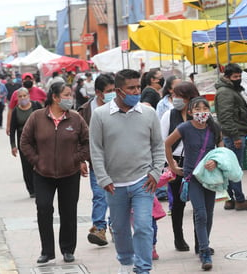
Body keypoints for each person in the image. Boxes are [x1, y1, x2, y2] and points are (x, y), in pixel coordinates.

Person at [89, 69, 165, 274]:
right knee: (120, 229)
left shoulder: (148, 113)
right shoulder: (100, 115)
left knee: (143, 226)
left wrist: (156, 173)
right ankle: (125, 262)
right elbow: (95, 149)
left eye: (138, 87)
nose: (136, 91)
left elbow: (158, 146)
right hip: (114, 185)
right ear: (118, 91)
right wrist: (103, 179)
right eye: (131, 88)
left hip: (143, 181)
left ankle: (143, 268)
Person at [20, 82, 89, 264]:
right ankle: (47, 251)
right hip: (43, 174)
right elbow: (25, 142)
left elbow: (88, 141)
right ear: (55, 97)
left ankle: (67, 249)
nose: (70, 98)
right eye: (66, 95)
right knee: (43, 208)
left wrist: (77, 158)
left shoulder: (75, 118)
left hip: (69, 173)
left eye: (70, 94)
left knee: (68, 212)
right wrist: (37, 160)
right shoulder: (36, 117)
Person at [165, 97, 223, 271]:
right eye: (197, 109)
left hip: (210, 177)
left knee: (209, 214)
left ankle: (203, 244)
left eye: (205, 108)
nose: (201, 112)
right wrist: (173, 166)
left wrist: (216, 162)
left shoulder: (214, 127)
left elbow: (222, 151)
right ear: (190, 112)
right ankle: (204, 251)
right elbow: (167, 144)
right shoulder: (184, 127)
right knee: (200, 213)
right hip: (193, 177)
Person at [214, 63, 247, 211]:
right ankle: (239, 199)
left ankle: (230, 199)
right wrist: (235, 136)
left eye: (240, 76)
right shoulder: (226, 92)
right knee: (235, 169)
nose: (238, 79)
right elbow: (226, 117)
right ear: (227, 77)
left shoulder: (229, 90)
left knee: (230, 168)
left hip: (234, 134)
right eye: (235, 77)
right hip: (234, 134)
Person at [160, 81, 199, 252]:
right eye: (174, 95)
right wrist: (169, 163)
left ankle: (201, 241)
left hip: (197, 162)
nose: (175, 99)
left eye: (179, 96)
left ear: (190, 98)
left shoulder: (200, 114)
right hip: (175, 161)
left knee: (199, 204)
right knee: (177, 202)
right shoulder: (169, 115)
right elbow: (162, 141)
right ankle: (179, 238)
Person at [78, 73, 115, 246]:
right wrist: (81, 160)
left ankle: (116, 226)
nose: (113, 94)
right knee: (100, 195)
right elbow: (79, 139)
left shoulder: (119, 106)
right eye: (109, 91)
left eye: (115, 90)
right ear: (99, 93)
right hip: (96, 162)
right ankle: (99, 229)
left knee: (118, 196)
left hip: (119, 160)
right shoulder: (85, 110)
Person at [9, 88, 42, 197]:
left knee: (38, 164)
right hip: (23, 141)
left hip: (37, 140)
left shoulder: (36, 106)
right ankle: (31, 190)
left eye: (24, 95)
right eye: (20, 96)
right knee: (26, 166)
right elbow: (12, 128)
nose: (23, 98)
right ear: (17, 98)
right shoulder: (16, 111)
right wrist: (13, 145)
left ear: (29, 96)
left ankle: (40, 187)